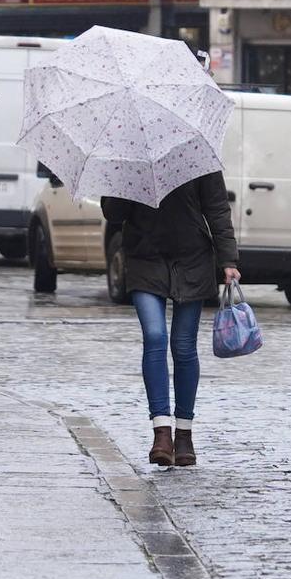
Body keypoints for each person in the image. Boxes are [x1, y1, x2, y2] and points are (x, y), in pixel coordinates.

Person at [101, 172, 239, 468]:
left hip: (192, 259)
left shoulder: (198, 156)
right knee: (155, 337)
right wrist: (122, 180)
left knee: (183, 346)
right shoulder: (127, 157)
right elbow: (113, 214)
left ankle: (184, 434)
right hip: (144, 258)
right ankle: (161, 433)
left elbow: (216, 208)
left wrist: (228, 260)